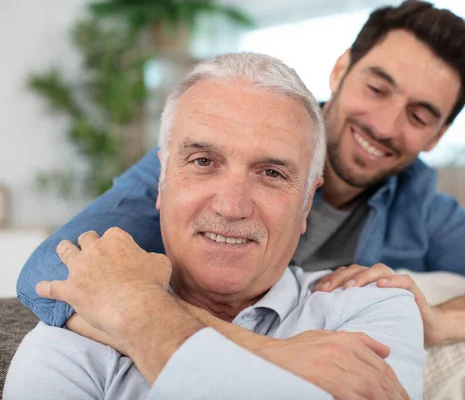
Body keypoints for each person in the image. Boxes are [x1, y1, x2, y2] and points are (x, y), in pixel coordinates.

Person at [16, 1, 465, 345]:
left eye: (420, 115)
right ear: (342, 67)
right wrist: (256, 351)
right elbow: (47, 273)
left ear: (439, 135)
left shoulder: (418, 208)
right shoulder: (219, 148)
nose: (386, 125)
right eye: (377, 87)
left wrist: (440, 323)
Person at [5, 52, 422, 400]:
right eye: (204, 162)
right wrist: (273, 358)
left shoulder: (369, 307)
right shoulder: (69, 338)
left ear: (307, 202)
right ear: (162, 183)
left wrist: (137, 314)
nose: (231, 206)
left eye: (272, 173)